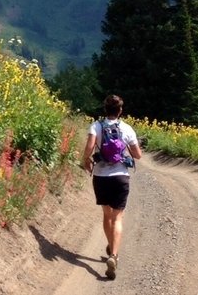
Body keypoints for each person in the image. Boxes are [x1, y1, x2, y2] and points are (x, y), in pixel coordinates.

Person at [80, 94, 142, 280]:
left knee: (107, 215)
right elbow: (137, 155)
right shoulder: (126, 128)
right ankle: (113, 255)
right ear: (120, 110)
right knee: (118, 218)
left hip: (100, 177)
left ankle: (110, 248)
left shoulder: (96, 126)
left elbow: (89, 148)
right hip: (120, 177)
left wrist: (86, 161)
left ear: (104, 109)